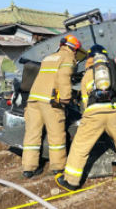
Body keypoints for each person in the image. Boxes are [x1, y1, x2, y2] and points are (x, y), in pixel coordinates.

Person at [55, 44, 116, 191]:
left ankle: (71, 181)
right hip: (115, 111)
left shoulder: (87, 75)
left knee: (80, 147)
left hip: (94, 113)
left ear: (90, 59)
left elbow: (84, 101)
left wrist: (86, 118)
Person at [21, 35, 81, 178]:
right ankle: (58, 167)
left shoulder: (49, 57)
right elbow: (64, 76)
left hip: (34, 98)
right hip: (50, 99)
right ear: (73, 49)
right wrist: (66, 98)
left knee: (32, 135)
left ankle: (28, 169)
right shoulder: (67, 58)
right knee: (56, 134)